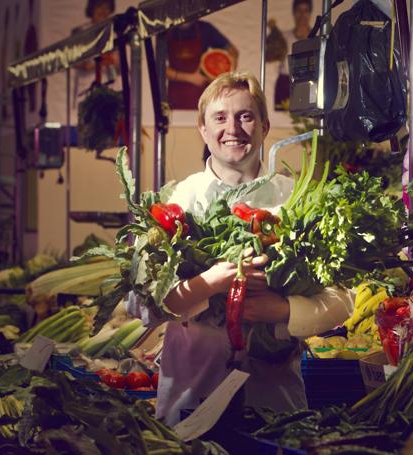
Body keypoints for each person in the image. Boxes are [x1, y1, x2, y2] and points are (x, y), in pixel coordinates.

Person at [127, 71, 353, 426]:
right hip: (189, 398)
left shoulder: (297, 198)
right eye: (220, 117)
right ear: (202, 129)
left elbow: (343, 301)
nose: (232, 129)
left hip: (276, 402)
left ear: (264, 127)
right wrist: (209, 283)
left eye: (245, 116)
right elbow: (139, 303)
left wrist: (282, 310)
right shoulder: (178, 201)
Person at [166, 20, 239, 110]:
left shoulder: (205, 29)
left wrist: (225, 76)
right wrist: (191, 78)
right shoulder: (166, 30)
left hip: (200, 92)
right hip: (176, 94)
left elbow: (233, 52)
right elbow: (161, 70)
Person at [274, 0, 313, 110]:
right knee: (284, 120)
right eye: (299, 11)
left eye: (305, 11)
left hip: (308, 84)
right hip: (285, 85)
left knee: (306, 120)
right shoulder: (283, 37)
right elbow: (270, 56)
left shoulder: (317, 37)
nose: (302, 15)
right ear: (294, 13)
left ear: (310, 13)